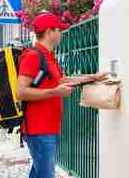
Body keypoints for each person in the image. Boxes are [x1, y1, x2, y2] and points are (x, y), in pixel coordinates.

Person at [16, 13, 107, 178]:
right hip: (39, 129)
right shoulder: (32, 56)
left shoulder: (49, 56)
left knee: (39, 173)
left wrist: (92, 77)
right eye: (59, 30)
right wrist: (56, 92)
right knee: (45, 174)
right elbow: (21, 92)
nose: (61, 33)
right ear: (49, 32)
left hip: (50, 127)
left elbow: (63, 79)